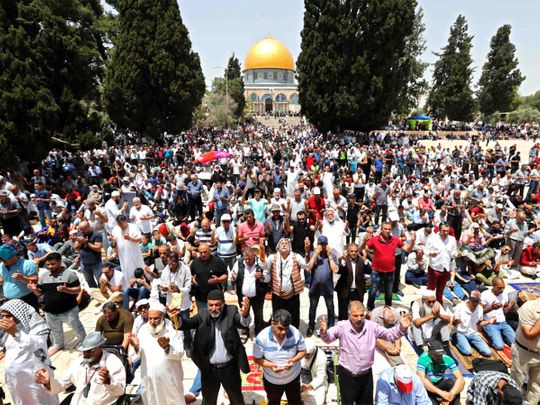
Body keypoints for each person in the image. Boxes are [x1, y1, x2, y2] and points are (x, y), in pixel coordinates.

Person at [320, 300, 413, 404]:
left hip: (366, 376)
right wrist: (324, 333)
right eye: (355, 316)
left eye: (361, 315)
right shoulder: (341, 327)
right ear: (349, 315)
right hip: (347, 376)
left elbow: (389, 334)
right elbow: (328, 338)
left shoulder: (371, 326)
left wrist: (402, 328)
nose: (359, 318)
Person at [174, 289, 251, 405]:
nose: (213, 308)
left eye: (217, 305)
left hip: (229, 369)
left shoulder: (231, 311)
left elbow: (241, 322)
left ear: (223, 304)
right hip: (210, 370)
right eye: (211, 305)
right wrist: (174, 316)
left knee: (236, 399)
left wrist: (245, 315)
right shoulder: (202, 314)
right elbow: (185, 324)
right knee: (208, 401)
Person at [35, 331, 126, 405]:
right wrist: (47, 382)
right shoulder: (78, 363)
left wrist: (108, 381)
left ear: (99, 347)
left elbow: (120, 391)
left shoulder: (112, 362)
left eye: (90, 351)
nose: (86, 354)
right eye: (84, 351)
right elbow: (61, 384)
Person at [27, 252, 86, 357]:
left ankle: (84, 344)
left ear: (60, 262)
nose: (50, 267)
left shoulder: (70, 275)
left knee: (77, 328)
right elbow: (40, 293)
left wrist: (66, 289)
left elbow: (78, 290)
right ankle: (58, 345)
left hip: (68, 310)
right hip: (50, 311)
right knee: (55, 331)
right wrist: (34, 289)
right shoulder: (43, 276)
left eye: (53, 264)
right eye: (48, 265)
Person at [0, 299, 58, 405]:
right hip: (16, 382)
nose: (4, 319)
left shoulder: (35, 326)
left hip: (34, 379)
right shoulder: (7, 332)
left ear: (18, 314)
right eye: (2, 316)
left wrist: (15, 333)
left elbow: (37, 344)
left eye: (8, 316)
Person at [129, 302, 186, 405]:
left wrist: (167, 347)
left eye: (156, 318)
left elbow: (180, 353)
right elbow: (134, 357)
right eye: (150, 318)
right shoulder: (143, 330)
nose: (152, 322)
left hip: (169, 378)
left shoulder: (174, 329)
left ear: (163, 317)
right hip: (149, 378)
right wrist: (136, 347)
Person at [254, 309, 306, 405]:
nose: (283, 332)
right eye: (280, 328)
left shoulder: (295, 334)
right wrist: (271, 365)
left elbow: (302, 351)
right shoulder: (261, 338)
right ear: (272, 323)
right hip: (272, 380)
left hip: (293, 379)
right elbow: (257, 359)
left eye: (286, 329)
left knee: (295, 401)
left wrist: (293, 360)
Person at [361, 222, 415, 310]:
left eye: (389, 229)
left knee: (389, 292)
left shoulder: (395, 239)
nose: (387, 231)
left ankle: (388, 308)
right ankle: (370, 308)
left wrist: (412, 242)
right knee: (373, 291)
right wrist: (365, 241)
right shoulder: (374, 239)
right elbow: (365, 248)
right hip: (377, 271)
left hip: (390, 271)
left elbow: (406, 249)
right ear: (381, 229)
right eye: (385, 229)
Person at [264, 238, 310, 328]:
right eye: (282, 243)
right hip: (277, 294)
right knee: (277, 316)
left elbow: (306, 265)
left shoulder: (296, 257)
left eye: (286, 243)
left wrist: (307, 252)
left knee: (294, 316)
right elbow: (264, 267)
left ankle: (293, 335)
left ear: (290, 247)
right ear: (278, 247)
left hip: (293, 294)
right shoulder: (272, 257)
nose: (284, 244)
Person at [306, 235, 338, 336]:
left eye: (325, 244)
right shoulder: (313, 254)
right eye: (321, 244)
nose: (323, 246)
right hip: (315, 287)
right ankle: (311, 326)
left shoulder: (333, 255)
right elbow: (308, 268)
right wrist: (315, 255)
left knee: (330, 307)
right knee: (312, 307)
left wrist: (329, 256)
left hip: (327, 287)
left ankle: (331, 326)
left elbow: (335, 270)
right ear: (317, 245)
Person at [232, 246, 267, 338]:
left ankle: (258, 330)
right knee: (244, 314)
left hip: (257, 296)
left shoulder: (261, 263)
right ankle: (245, 330)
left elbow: (268, 278)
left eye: (249, 259)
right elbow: (233, 274)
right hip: (243, 296)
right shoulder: (239, 262)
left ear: (254, 256)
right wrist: (234, 277)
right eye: (245, 259)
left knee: (258, 314)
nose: (247, 261)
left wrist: (262, 276)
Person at [510, 297, 540, 405]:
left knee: (536, 386)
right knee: (516, 381)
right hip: (524, 352)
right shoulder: (529, 307)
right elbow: (529, 334)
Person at [416, 340, 465, 405]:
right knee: (421, 380)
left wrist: (450, 395)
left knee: (453, 381)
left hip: (439, 384)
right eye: (436, 355)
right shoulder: (423, 358)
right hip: (427, 387)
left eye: (441, 354)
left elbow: (461, 380)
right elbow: (422, 379)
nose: (439, 357)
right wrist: (441, 393)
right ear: (429, 352)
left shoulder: (447, 359)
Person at [451, 290, 493, 357]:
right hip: (460, 332)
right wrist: (455, 322)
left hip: (473, 333)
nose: (476, 303)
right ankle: (454, 338)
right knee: (467, 351)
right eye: (474, 301)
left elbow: (479, 323)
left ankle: (467, 342)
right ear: (469, 299)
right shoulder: (460, 307)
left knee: (488, 353)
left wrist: (489, 322)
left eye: (477, 301)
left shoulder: (480, 309)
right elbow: (453, 324)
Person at [409, 290, 452, 355]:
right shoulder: (417, 304)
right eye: (429, 302)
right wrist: (432, 315)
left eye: (433, 301)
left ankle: (446, 347)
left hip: (431, 331)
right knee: (415, 325)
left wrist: (439, 315)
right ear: (423, 300)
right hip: (419, 333)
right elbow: (417, 322)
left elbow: (448, 320)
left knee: (443, 322)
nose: (431, 304)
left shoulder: (436, 304)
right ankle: (420, 350)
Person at [424, 222, 457, 304]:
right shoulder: (432, 238)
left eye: (447, 231)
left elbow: (453, 252)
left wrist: (457, 254)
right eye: (444, 231)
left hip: (446, 268)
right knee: (431, 289)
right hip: (434, 267)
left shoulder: (452, 239)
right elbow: (425, 250)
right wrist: (430, 254)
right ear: (439, 230)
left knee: (441, 289)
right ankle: (428, 305)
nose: (446, 233)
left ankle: (439, 304)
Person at [0, 242, 39, 310]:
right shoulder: (2, 266)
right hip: (8, 301)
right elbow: (3, 280)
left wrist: (22, 278)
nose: (2, 260)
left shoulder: (28, 264)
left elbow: (35, 280)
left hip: (26, 300)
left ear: (12, 255)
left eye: (4, 258)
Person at [190, 243, 228, 313]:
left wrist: (218, 280)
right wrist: (192, 280)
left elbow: (225, 276)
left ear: (210, 251)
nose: (203, 254)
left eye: (205, 252)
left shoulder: (217, 261)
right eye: (201, 252)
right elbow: (190, 275)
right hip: (200, 298)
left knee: (217, 317)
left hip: (215, 299)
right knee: (203, 318)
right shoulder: (195, 263)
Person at [480, 277, 516, 350]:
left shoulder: (504, 295)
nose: (502, 290)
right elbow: (479, 312)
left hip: (503, 322)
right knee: (499, 346)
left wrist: (509, 307)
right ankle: (488, 332)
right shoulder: (485, 295)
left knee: (516, 344)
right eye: (500, 288)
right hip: (491, 323)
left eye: (503, 288)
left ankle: (502, 335)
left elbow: (505, 310)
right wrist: (491, 308)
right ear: (493, 286)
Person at [335, 242, 367, 320]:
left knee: (357, 312)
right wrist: (343, 261)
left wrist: (365, 260)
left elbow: (369, 271)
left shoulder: (361, 260)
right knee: (343, 313)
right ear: (348, 251)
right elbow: (338, 271)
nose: (353, 253)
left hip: (357, 291)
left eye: (355, 251)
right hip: (345, 290)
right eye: (352, 251)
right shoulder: (342, 259)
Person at [109, 214, 145, 282]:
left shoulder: (133, 227)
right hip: (123, 256)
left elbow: (140, 239)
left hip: (134, 254)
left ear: (126, 221)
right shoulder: (115, 229)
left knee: (138, 269)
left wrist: (130, 238)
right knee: (127, 272)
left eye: (122, 224)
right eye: (119, 224)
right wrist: (113, 240)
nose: (121, 226)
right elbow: (113, 245)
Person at [300, 339, 328, 405]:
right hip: (301, 382)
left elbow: (320, 378)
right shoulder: (299, 351)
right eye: (304, 354)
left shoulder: (321, 357)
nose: (305, 356)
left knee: (317, 402)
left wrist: (307, 387)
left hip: (316, 385)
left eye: (308, 354)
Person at [76, 221, 103, 288]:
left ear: (88, 227)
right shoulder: (80, 234)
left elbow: (98, 248)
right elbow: (75, 247)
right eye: (80, 229)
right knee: (89, 280)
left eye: (83, 229)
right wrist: (80, 243)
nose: (82, 231)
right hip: (84, 263)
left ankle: (102, 294)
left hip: (95, 263)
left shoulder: (97, 235)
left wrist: (86, 243)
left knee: (100, 281)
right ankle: (95, 294)